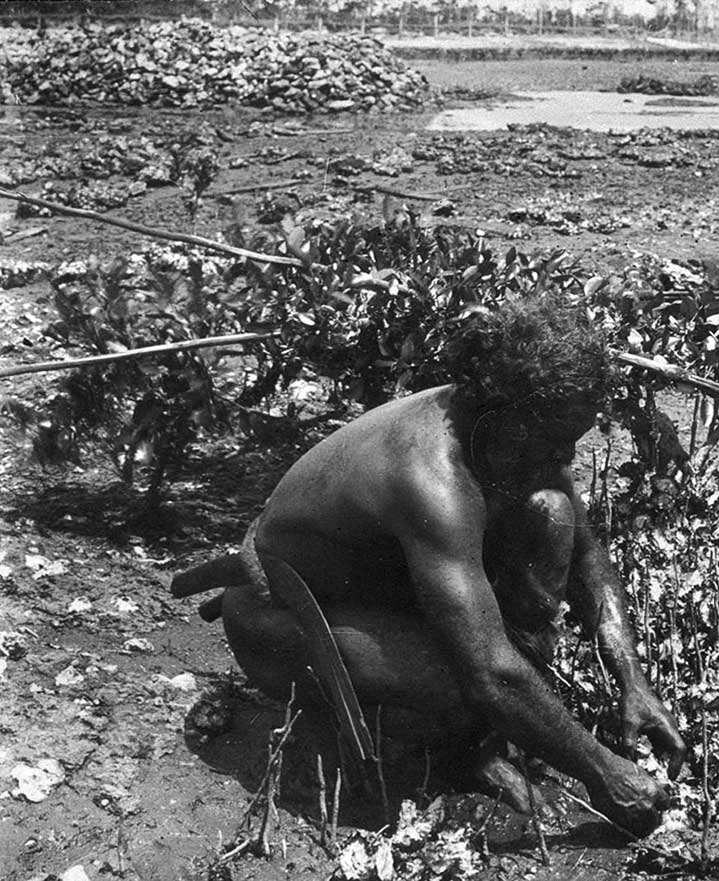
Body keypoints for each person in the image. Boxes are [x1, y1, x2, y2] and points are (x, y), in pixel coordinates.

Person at [171, 297, 686, 835]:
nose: (567, 457)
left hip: (380, 594)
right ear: (506, 413)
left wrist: (633, 681)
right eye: (555, 439)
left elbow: (586, 551)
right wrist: (605, 773)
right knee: (469, 689)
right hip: (279, 619)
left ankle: (487, 730)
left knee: (552, 513)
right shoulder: (431, 477)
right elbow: (489, 674)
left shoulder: (511, 430)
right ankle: (453, 753)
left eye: (572, 441)